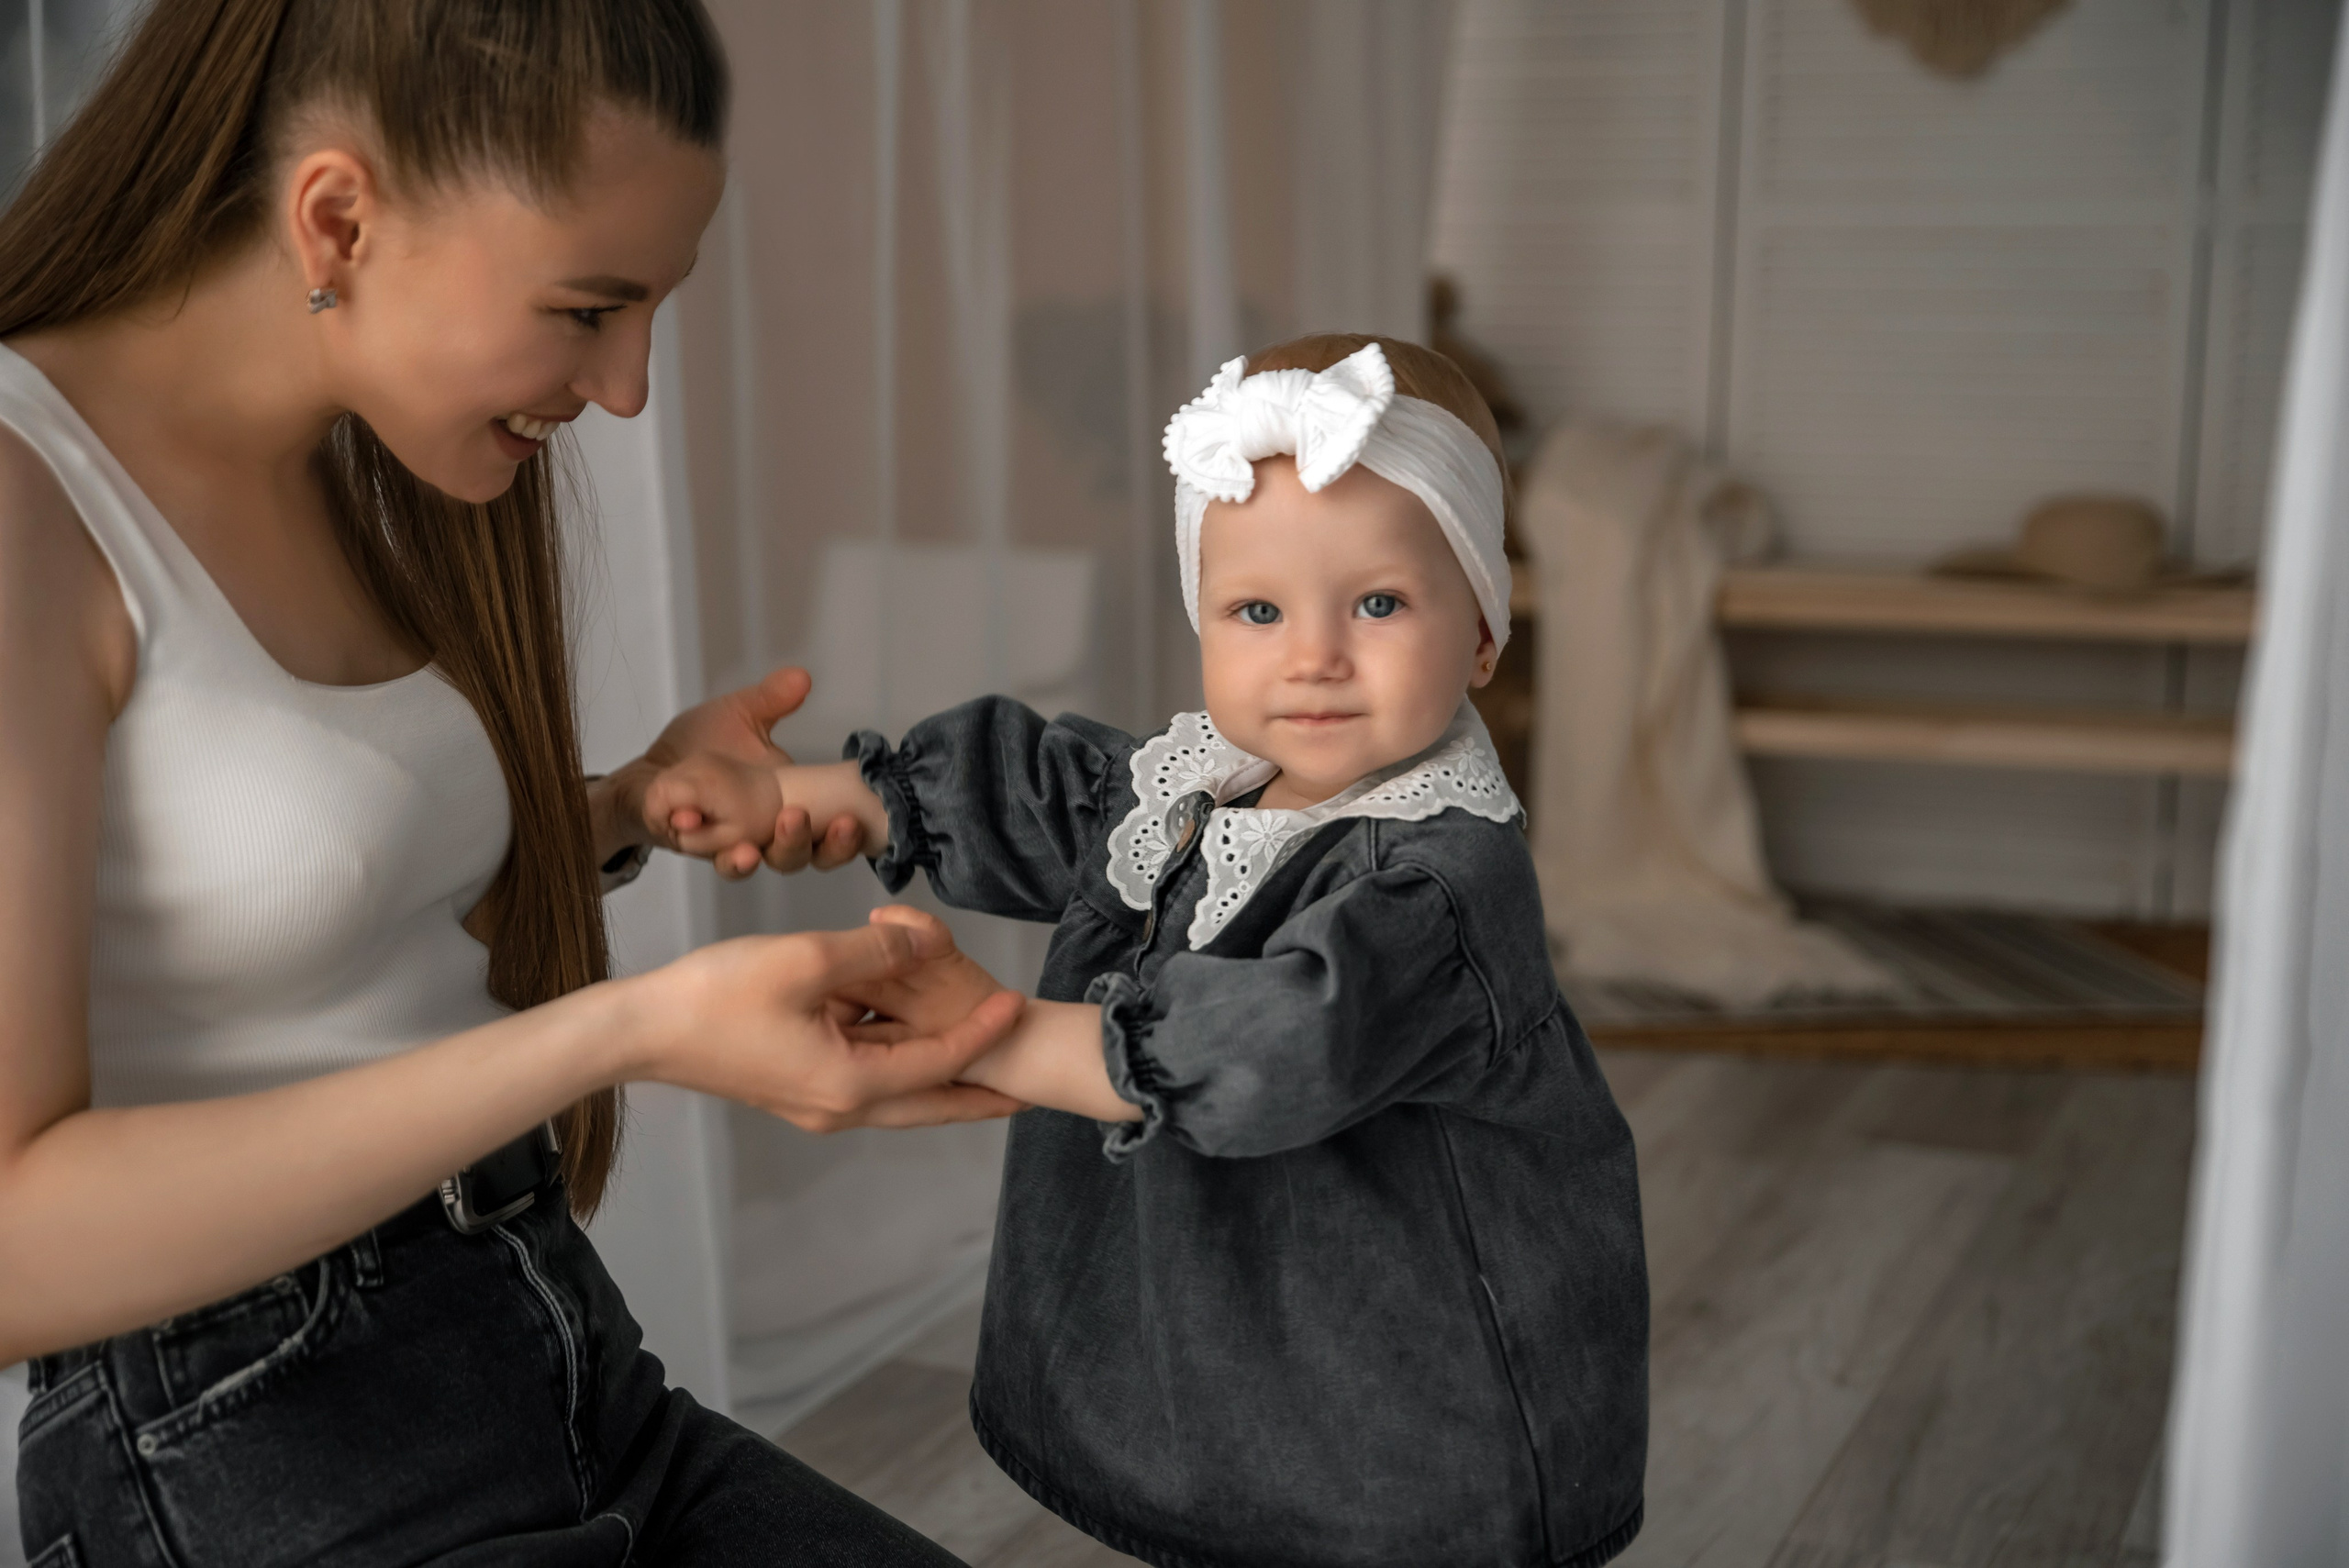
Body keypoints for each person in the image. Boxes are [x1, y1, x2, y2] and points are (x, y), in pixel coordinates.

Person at [0, 3, 1025, 1563]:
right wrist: (632, 1030)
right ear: (337, 215)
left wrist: (618, 808)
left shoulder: (343, 461)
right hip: (256, 1447)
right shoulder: (27, 501)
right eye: (591, 309)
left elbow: (296, 916)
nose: (626, 388)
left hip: (544, 1343)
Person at [652, 336, 1653, 1568]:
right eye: (1258, 609)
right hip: (1248, 1347)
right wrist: (815, 795)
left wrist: (1001, 1031)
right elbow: (1038, 792)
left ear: (1485, 635)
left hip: (1410, 1391)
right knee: (1245, 1502)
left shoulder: (1440, 878)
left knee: (1369, 1525)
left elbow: (1285, 1041)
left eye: (1379, 603)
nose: (1314, 654)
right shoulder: (1201, 787)